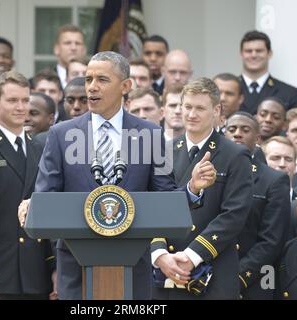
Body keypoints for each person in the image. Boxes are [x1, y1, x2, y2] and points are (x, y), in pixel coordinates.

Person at [18, 51, 216, 300]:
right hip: (76, 264)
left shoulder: (151, 134)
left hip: (133, 265)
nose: (91, 87)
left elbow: (164, 199)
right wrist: (34, 204)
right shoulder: (61, 134)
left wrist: (192, 188)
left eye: (102, 79)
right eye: (88, 79)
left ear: (125, 86)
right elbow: (47, 195)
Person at [152, 78, 253, 300]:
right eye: (187, 107)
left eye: (200, 108)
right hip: (166, 274)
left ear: (216, 110)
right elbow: (154, 209)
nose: (191, 114)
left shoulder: (235, 155)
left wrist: (192, 256)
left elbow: (234, 215)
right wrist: (160, 255)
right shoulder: (165, 151)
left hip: (212, 273)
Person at [0, 70, 56, 300]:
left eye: (25, 100)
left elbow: (49, 210)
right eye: (12, 100)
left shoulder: (40, 149)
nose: (21, 107)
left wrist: (55, 267)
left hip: (37, 273)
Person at [224, 112, 290, 299]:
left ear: (258, 138)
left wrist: (237, 277)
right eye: (232, 129)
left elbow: (271, 241)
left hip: (249, 280)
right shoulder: (208, 173)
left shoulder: (274, 180)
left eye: (245, 130)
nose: (237, 133)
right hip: (204, 275)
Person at [239, 30, 297, 115]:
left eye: (259, 51)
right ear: (241, 54)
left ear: (269, 53)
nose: (253, 55)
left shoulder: (289, 93)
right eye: (248, 51)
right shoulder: (227, 90)